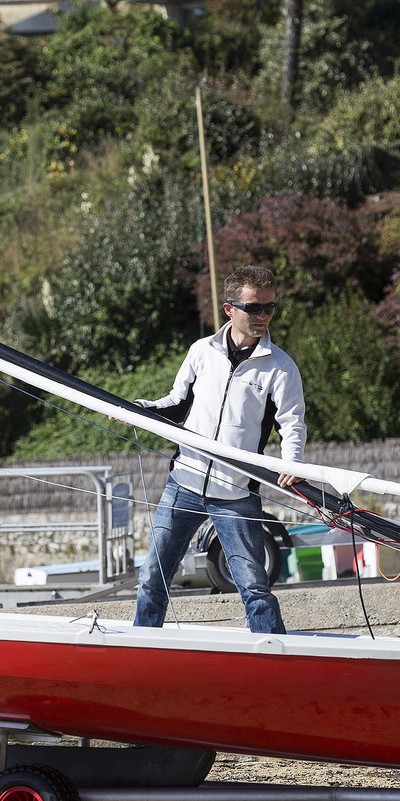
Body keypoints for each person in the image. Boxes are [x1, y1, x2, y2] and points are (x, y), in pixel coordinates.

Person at [132, 265, 305, 635]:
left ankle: (275, 655)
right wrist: (139, 409)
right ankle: (143, 644)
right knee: (152, 575)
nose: (263, 316)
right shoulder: (201, 352)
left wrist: (293, 463)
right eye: (254, 308)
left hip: (237, 493)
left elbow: (291, 424)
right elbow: (176, 405)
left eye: (270, 308)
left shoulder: (281, 368)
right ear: (229, 309)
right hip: (184, 484)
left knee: (254, 587)